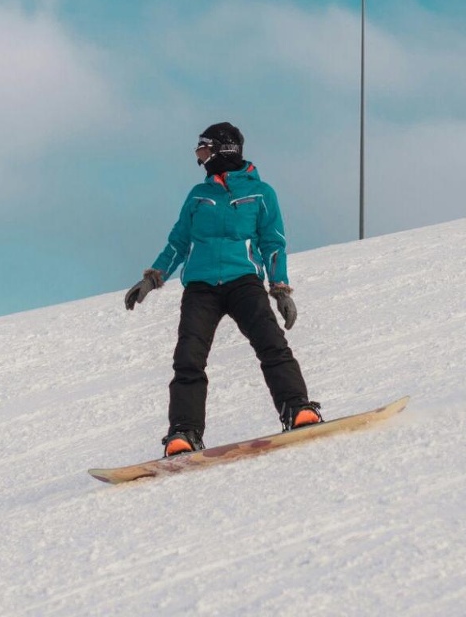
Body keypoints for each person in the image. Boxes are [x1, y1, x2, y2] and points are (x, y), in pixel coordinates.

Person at [124, 122, 322, 457]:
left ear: (223, 150)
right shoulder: (199, 196)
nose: (201, 158)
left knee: (271, 343)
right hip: (201, 287)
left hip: (243, 281)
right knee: (188, 358)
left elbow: (272, 244)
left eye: (204, 150)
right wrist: (152, 278)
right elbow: (178, 242)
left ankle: (297, 409)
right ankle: (184, 433)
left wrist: (280, 289)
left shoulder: (262, 194)